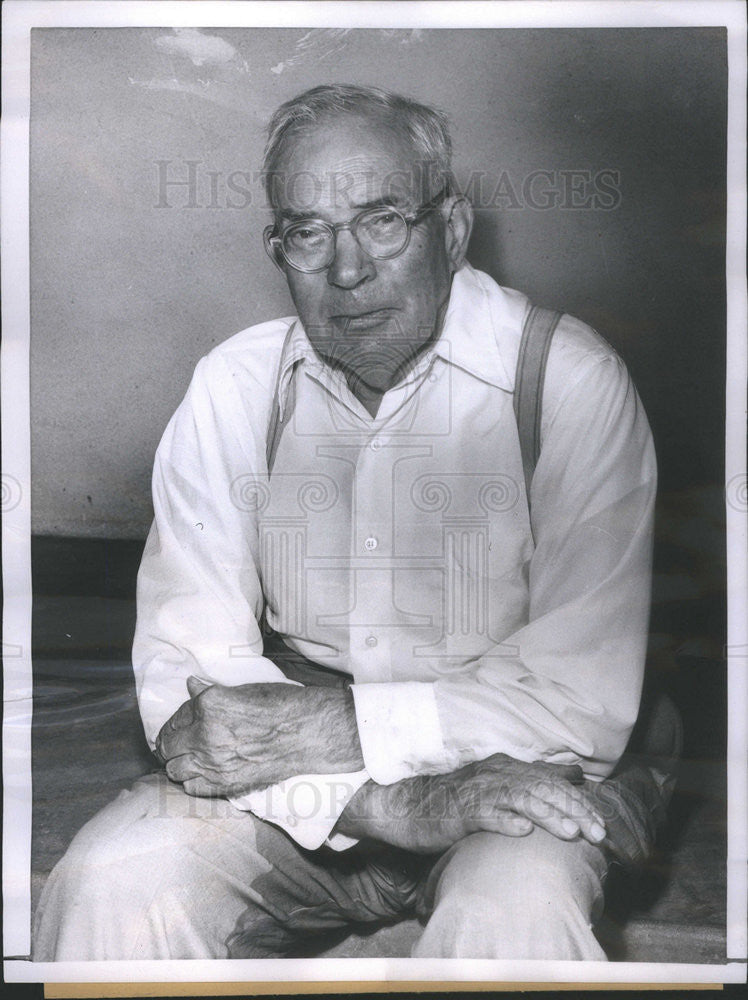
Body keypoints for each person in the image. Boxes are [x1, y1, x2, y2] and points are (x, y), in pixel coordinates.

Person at [33, 84, 667, 962]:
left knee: (512, 911)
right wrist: (382, 803)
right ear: (276, 247)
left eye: (381, 221)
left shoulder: (568, 381)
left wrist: (325, 730)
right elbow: (196, 688)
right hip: (297, 790)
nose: (345, 271)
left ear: (450, 228)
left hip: (526, 769)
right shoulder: (235, 387)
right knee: (111, 880)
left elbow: (575, 702)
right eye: (308, 231)